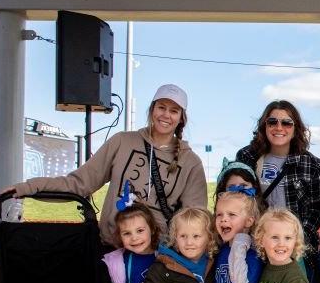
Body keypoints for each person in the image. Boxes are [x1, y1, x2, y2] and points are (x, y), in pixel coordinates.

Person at [12, 84, 207, 244]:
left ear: (181, 118)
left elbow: (194, 219)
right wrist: (28, 187)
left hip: (156, 257)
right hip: (112, 246)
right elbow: (79, 183)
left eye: (174, 111)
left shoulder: (191, 162)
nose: (166, 115)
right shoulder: (122, 141)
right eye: (161, 107)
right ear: (152, 109)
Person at [236, 100, 320, 268]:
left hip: (294, 249)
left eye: (287, 123)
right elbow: (237, 200)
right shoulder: (247, 157)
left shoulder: (311, 164)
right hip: (256, 246)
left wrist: (296, 242)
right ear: (264, 126)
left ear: (296, 128)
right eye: (272, 122)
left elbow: (318, 208)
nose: (279, 127)